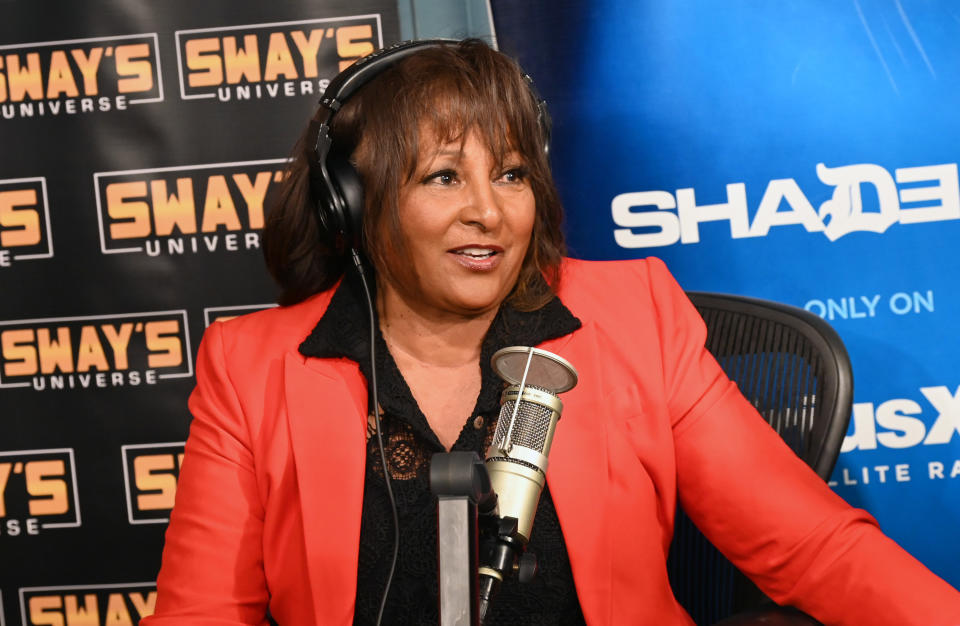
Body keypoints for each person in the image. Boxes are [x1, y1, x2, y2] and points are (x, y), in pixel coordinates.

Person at [143, 39, 960, 625]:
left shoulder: (632, 318)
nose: (489, 212)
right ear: (351, 206)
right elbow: (203, 611)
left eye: (510, 173)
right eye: (442, 177)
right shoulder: (253, 370)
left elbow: (815, 548)